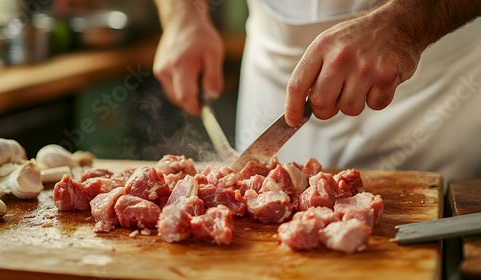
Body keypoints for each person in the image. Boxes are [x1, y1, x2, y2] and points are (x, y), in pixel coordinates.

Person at [152, 0, 481, 182]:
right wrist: (181, 16)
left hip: (427, 74)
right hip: (275, 61)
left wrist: (405, 26)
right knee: (258, 202)